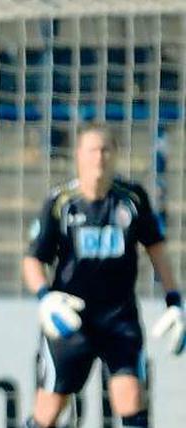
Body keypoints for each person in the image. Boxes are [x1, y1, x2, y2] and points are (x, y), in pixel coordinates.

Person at [23, 126, 184, 428]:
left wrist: (174, 302)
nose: (100, 157)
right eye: (93, 150)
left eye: (106, 150)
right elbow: (33, 259)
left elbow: (157, 250)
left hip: (118, 319)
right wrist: (45, 299)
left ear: (116, 155)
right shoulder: (61, 203)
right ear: (79, 156)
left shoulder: (132, 200)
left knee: (132, 402)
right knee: (48, 412)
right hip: (72, 321)